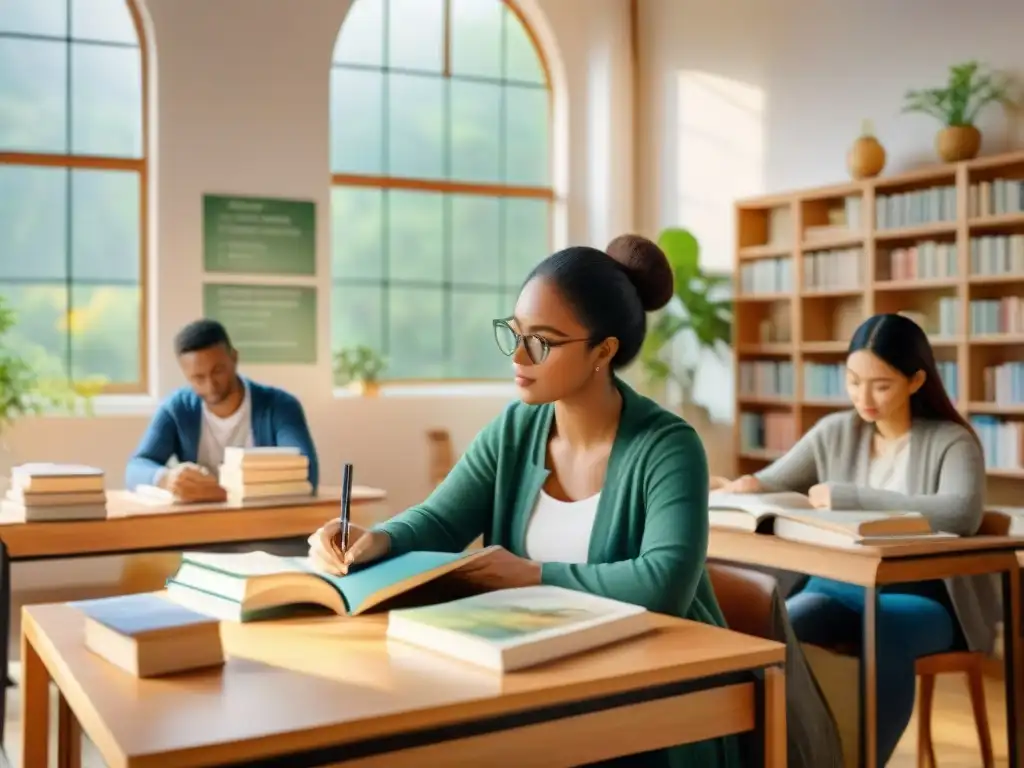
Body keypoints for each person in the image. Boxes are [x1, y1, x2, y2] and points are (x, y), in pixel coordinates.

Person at [308, 235, 743, 767]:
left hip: (662, 696)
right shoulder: (516, 428)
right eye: (515, 334)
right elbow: (442, 518)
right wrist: (379, 539)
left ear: (603, 351)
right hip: (540, 673)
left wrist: (529, 575)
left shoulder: (668, 447)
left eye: (542, 341)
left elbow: (664, 584)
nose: (518, 356)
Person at [714, 313, 1000, 766]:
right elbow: (770, 481)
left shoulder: (951, 441)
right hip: (838, 586)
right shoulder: (836, 431)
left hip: (926, 598)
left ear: (915, 380)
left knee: (881, 629)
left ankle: (868, 761)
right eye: (852, 381)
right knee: (782, 626)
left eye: (881, 385)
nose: (862, 397)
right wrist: (737, 487)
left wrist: (850, 497)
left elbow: (961, 512)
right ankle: (796, 754)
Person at [125, 319, 319, 499]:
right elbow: (136, 467)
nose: (210, 385)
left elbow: (308, 473)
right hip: (202, 525)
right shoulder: (177, 409)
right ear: (185, 374)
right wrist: (166, 478)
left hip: (265, 522)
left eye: (218, 371)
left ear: (234, 358)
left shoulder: (279, 406)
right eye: (198, 378)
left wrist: (224, 492)